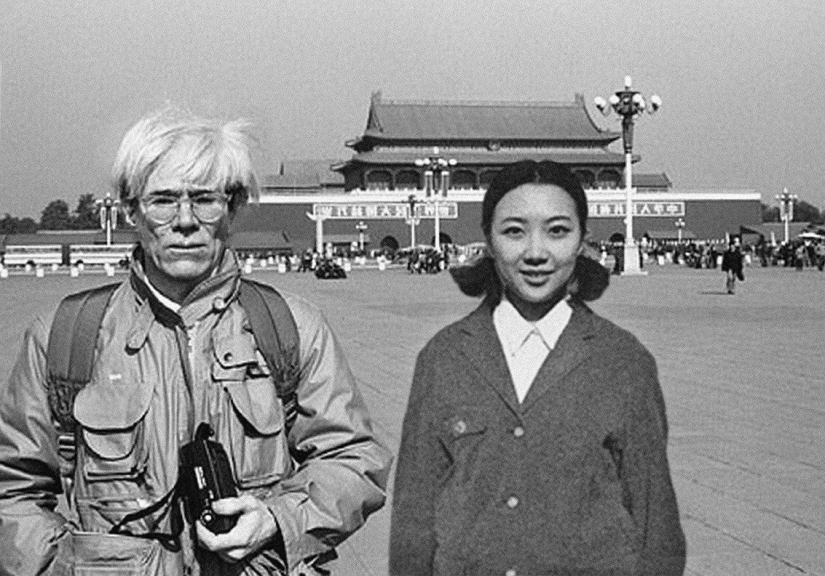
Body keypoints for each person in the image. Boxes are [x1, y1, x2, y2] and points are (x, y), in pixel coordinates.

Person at [0, 107, 391, 575]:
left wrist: (278, 519)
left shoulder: (290, 327)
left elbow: (353, 458)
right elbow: (12, 490)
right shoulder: (66, 336)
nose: (184, 220)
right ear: (130, 210)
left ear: (233, 208)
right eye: (163, 200)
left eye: (204, 199)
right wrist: (68, 568)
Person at [390, 160, 686, 575]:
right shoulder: (444, 358)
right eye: (514, 231)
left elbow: (656, 524)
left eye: (557, 231)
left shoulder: (623, 361)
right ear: (488, 241)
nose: (535, 252)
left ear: (582, 240)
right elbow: (414, 519)